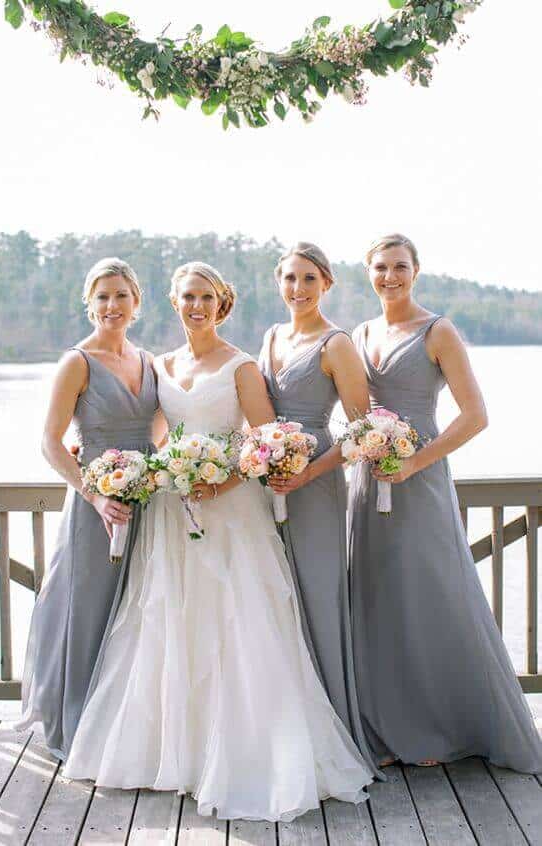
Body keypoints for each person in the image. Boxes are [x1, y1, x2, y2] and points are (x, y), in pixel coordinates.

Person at [63, 261, 374, 820]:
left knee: (237, 623)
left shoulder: (242, 366)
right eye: (186, 297)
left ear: (221, 302)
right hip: (169, 514)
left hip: (231, 515)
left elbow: (261, 442)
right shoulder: (160, 365)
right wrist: (139, 468)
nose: (196, 306)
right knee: (171, 620)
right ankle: (176, 752)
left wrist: (220, 478)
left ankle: (244, 754)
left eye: (206, 297)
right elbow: (157, 432)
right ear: (173, 303)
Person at [349, 233, 542, 773]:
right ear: (369, 273)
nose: (390, 276)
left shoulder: (438, 331)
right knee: (377, 597)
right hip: (367, 483)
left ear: (417, 271)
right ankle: (385, 727)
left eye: (400, 267)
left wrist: (415, 462)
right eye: (380, 267)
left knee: (430, 594)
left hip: (421, 480)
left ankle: (445, 725)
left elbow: (475, 415)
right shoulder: (361, 333)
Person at [16, 258, 164, 760]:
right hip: (94, 506)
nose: (111, 306)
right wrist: (95, 493)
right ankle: (77, 726)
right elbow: (50, 443)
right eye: (102, 296)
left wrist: (161, 469)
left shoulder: (148, 362)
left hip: (144, 500)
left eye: (121, 295)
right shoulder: (76, 362)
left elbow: (158, 430)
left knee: (137, 609)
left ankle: (125, 725)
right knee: (90, 609)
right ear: (88, 303)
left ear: (137, 302)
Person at [258, 242, 380, 779]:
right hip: (269, 483)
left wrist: (306, 471)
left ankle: (336, 729)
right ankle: (285, 729)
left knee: (317, 596)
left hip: (316, 481)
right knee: (275, 599)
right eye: (289, 279)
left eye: (309, 279)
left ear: (326, 283)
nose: (298, 289)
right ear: (277, 282)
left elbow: (362, 429)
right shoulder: (271, 336)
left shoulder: (338, 344)